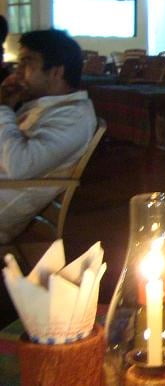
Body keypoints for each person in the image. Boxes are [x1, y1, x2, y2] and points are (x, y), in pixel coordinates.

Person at [0, 29, 96, 243]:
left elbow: (20, 165)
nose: (17, 72)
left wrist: (4, 108)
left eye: (26, 63)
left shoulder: (73, 117)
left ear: (56, 71)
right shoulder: (45, 106)